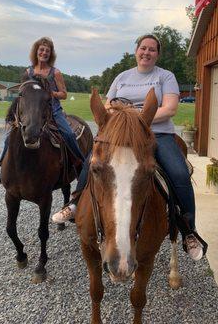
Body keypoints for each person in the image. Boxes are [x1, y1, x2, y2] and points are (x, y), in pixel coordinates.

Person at [52, 34, 204, 261]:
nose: (147, 52)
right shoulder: (122, 77)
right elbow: (107, 105)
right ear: (136, 51)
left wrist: (136, 118)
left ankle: (188, 229)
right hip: (120, 135)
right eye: (143, 48)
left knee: (179, 173)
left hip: (157, 134)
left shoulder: (165, 76)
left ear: (157, 54)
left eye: (152, 49)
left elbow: (170, 108)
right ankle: (74, 203)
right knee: (92, 162)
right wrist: (120, 119)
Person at [0, 37, 84, 184]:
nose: (44, 53)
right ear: (36, 51)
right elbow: (24, 92)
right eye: (42, 49)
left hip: (53, 110)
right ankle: (2, 168)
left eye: (47, 50)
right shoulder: (28, 72)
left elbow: (64, 94)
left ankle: (81, 165)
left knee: (69, 134)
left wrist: (50, 93)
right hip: (31, 111)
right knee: (9, 136)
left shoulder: (55, 72)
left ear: (51, 54)